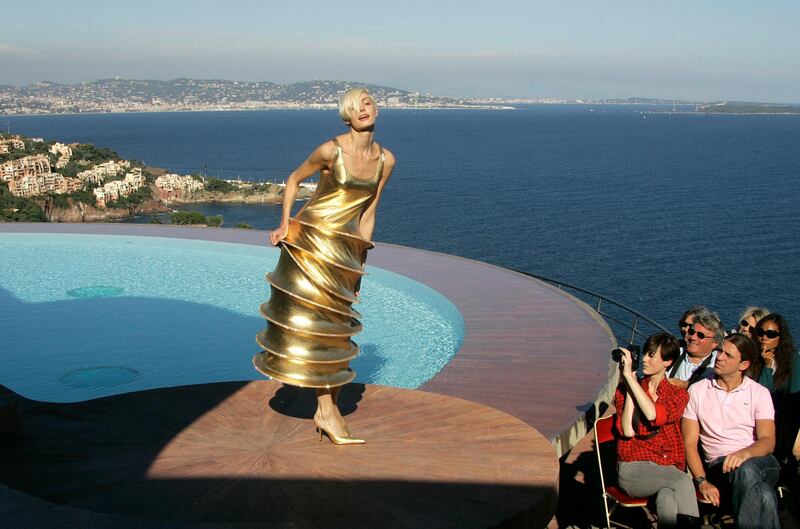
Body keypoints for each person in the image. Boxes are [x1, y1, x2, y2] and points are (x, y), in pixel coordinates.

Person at [253, 88, 396, 444]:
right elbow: (293, 180)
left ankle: (326, 411)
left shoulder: (386, 160)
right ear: (346, 116)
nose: (363, 110)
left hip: (343, 252)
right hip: (310, 244)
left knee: (337, 329)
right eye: (355, 107)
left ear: (376, 109)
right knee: (318, 327)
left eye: (367, 103)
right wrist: (285, 223)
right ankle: (328, 411)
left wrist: (360, 262)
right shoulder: (330, 150)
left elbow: (368, 213)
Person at [682, 333, 781, 529]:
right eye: (720, 351)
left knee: (747, 469)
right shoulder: (697, 391)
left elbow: (768, 441)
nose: (719, 357)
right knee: (764, 495)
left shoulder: (759, 393)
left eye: (728, 355)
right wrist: (702, 481)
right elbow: (689, 443)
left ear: (743, 365)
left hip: (760, 460)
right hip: (721, 466)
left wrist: (745, 454)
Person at [614, 333, 700, 528]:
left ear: (667, 362)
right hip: (633, 468)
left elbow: (654, 415)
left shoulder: (677, 394)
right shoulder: (624, 390)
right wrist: (630, 383)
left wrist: (632, 383)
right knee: (682, 481)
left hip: (666, 466)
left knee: (667, 497)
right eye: (644, 353)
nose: (644, 359)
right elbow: (628, 431)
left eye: (652, 355)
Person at [754, 314, 800, 469]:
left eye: (771, 334)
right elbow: (757, 396)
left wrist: (767, 368)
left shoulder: (792, 361)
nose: (764, 338)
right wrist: (766, 367)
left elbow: (794, 398)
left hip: (782, 421)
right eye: (760, 332)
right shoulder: (751, 358)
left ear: (781, 338)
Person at [669, 307, 723, 389]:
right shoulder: (673, 352)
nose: (693, 337)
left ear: (715, 343)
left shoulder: (718, 364)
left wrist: (686, 385)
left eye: (701, 335)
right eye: (692, 332)